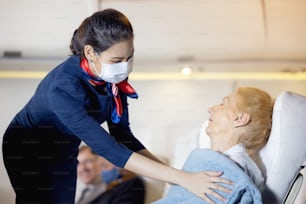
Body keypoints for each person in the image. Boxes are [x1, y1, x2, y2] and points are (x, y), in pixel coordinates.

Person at [2, 8, 232, 204]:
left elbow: (123, 136)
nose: (124, 68)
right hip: (28, 148)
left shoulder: (113, 79)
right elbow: (108, 148)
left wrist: (177, 176)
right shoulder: (62, 89)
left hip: (64, 148)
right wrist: (182, 179)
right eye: (116, 61)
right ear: (90, 52)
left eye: (129, 58)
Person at [153, 87, 274, 204]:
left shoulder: (233, 169)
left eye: (223, 104)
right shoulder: (225, 163)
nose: (211, 108)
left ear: (240, 119)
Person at [76, 145, 145, 204]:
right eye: (78, 163)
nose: (82, 168)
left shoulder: (130, 184)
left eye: (88, 161)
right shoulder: (86, 191)